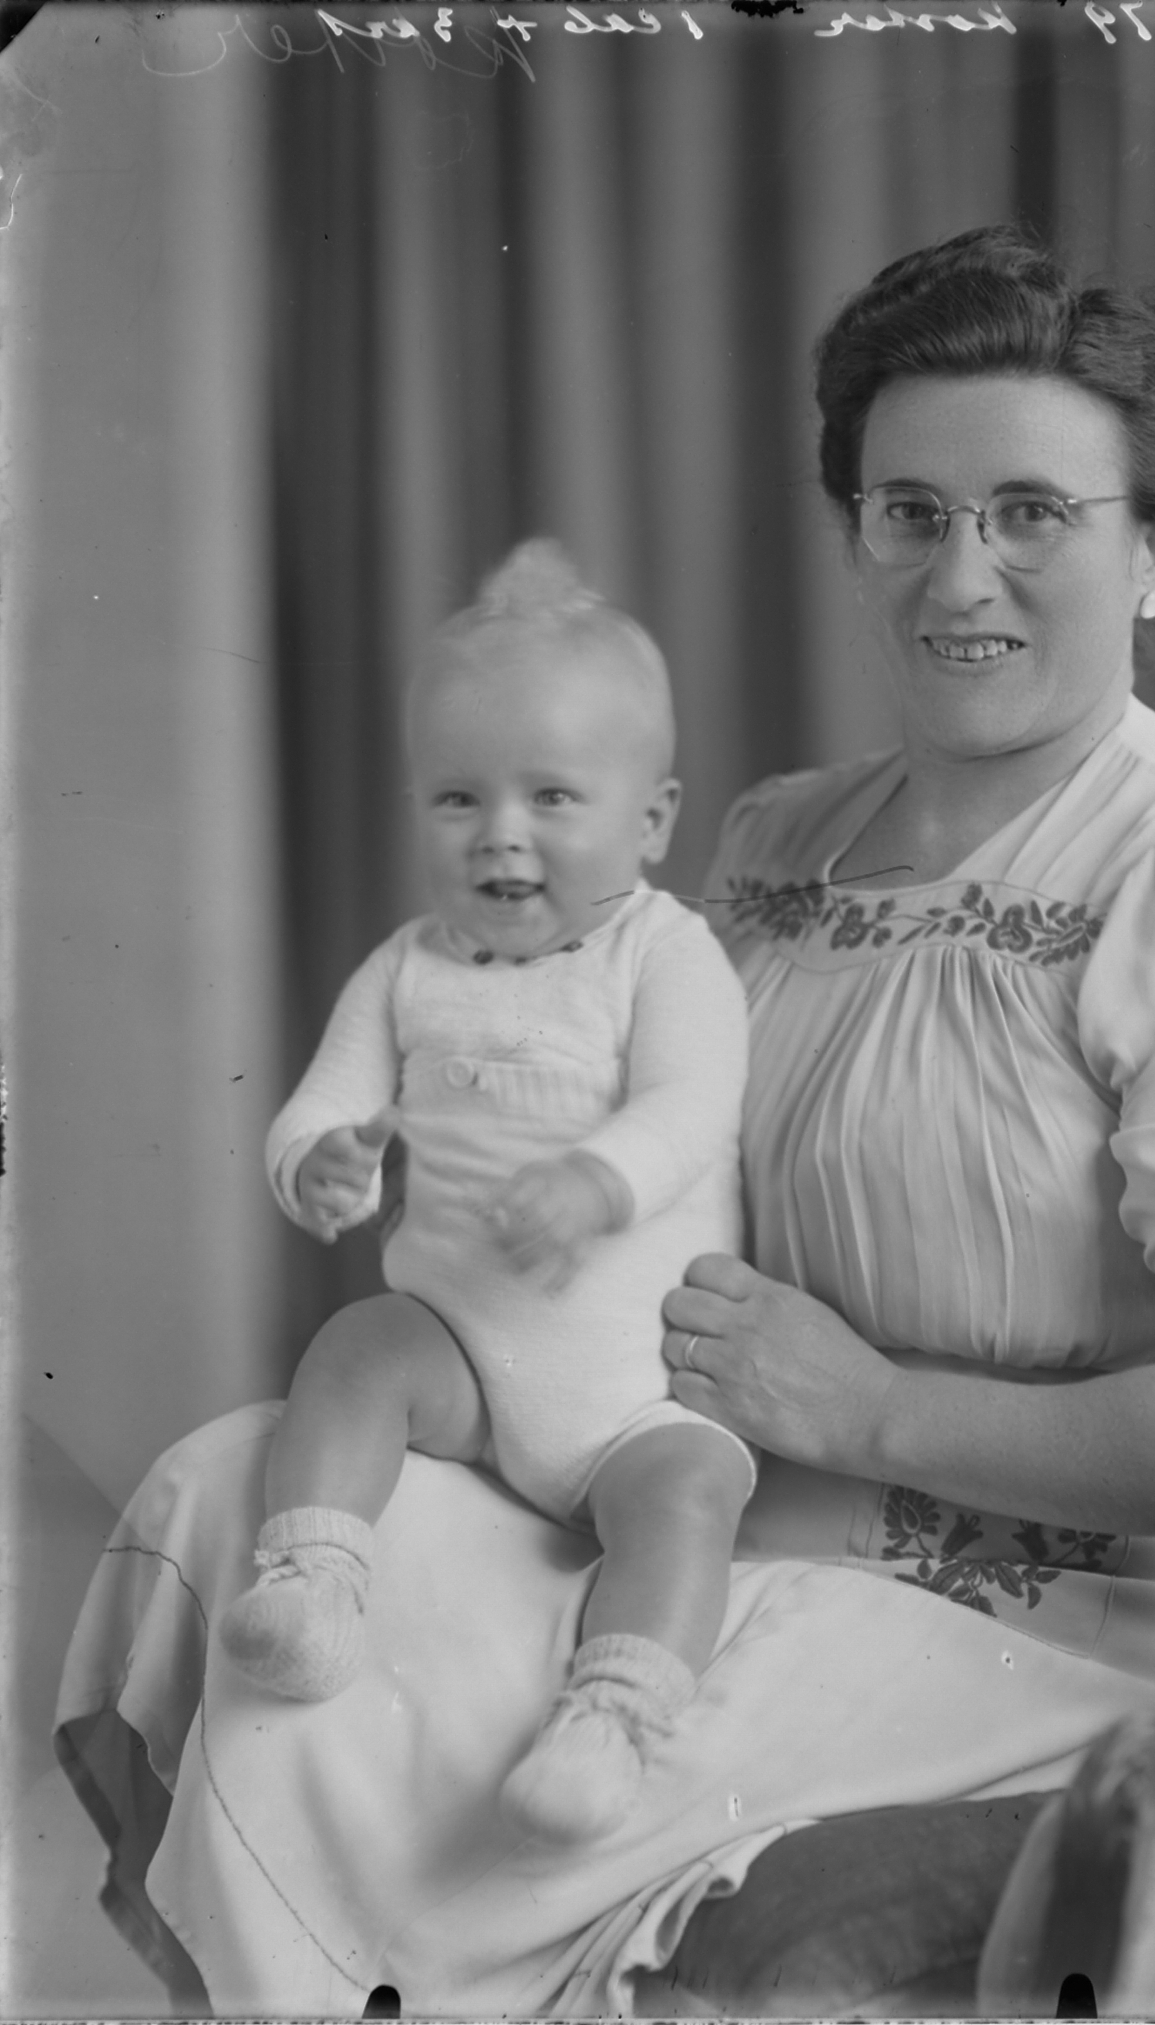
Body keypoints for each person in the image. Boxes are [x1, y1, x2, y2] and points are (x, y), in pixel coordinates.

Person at [55, 225, 1155, 2017]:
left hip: (1053, 1628)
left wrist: (871, 1407)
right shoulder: (775, 837)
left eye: (1033, 513)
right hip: (713, 1510)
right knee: (240, 1490)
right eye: (909, 512)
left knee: (504, 1819)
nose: (962, 575)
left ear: (1151, 550)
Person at [219, 540, 755, 1841]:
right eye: (458, 798)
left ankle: (610, 1720)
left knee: (693, 1495)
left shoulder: (665, 955)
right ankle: (313, 1577)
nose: (501, 832)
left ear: (652, 820)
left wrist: (597, 1180)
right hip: (463, 1355)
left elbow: (693, 1105)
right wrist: (319, 1161)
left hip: (639, 1396)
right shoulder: (408, 969)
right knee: (358, 1346)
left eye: (552, 796)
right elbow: (323, 1102)